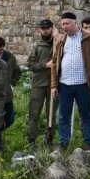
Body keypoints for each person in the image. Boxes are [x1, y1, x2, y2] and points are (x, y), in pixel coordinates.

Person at [50, 12, 90, 152]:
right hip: (65, 84)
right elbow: (55, 62)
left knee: (86, 115)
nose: (64, 27)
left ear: (75, 23)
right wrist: (54, 85)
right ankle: (63, 143)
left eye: (67, 23)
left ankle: (89, 144)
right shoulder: (61, 40)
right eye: (62, 24)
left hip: (83, 84)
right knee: (63, 116)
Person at [26, 19, 57, 148]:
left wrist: (57, 38)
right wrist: (46, 65)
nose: (45, 30)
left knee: (52, 113)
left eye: (47, 28)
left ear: (52, 28)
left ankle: (49, 139)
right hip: (38, 83)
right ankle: (31, 141)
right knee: (34, 113)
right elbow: (30, 65)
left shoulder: (58, 43)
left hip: (54, 84)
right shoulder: (37, 46)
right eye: (43, 28)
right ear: (40, 30)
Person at [0, 36, 22, 151]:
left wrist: (12, 82)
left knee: (10, 118)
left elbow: (17, 71)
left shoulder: (10, 58)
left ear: (3, 47)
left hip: (7, 94)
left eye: (0, 50)